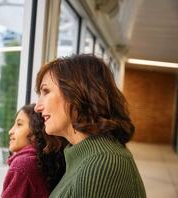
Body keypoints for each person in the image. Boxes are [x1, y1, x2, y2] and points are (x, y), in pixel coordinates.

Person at [34, 54, 146, 198]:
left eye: (46, 91)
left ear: (77, 93)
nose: (37, 107)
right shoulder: (82, 155)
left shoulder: (103, 164)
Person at [1, 104, 67, 198]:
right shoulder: (48, 161)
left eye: (19, 124)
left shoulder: (22, 165)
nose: (11, 131)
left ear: (35, 132)